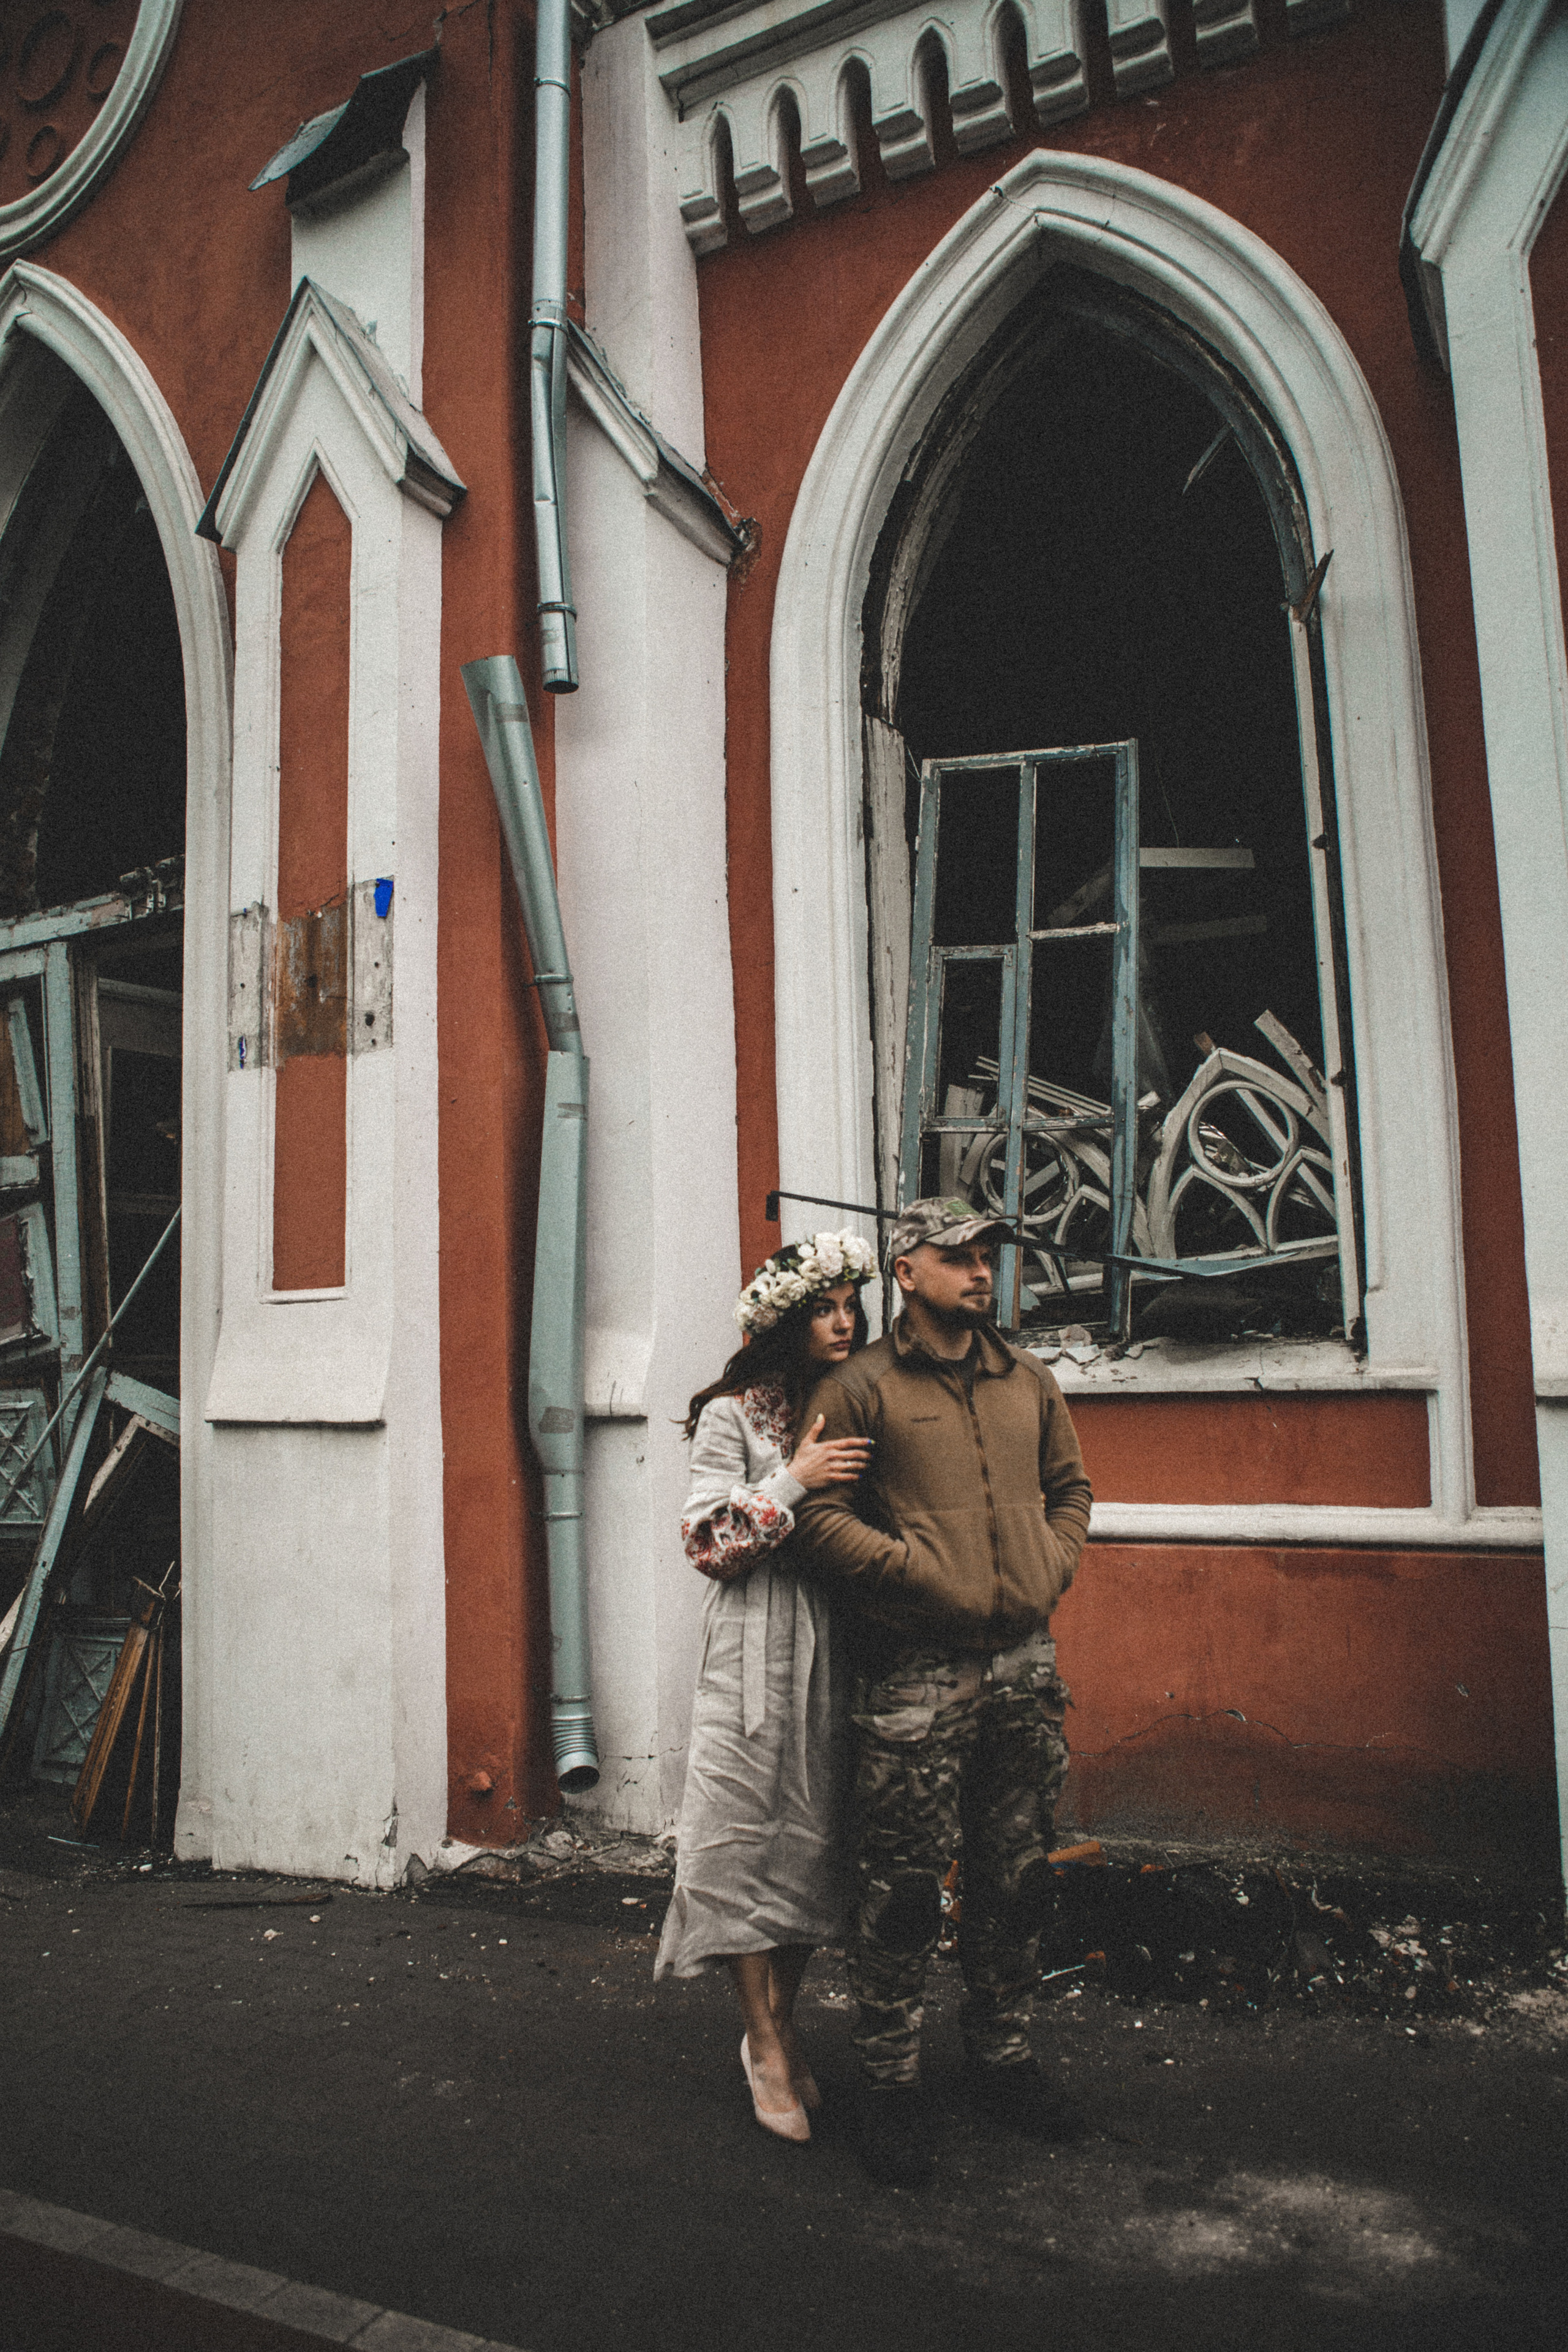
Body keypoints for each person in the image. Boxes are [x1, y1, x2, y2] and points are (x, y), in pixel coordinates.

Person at [794, 1196, 1094, 2188]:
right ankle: (890, 2084)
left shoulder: (1030, 1381)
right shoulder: (860, 1386)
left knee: (1016, 1876)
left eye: (987, 1254)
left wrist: (1049, 1566)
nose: (979, 1270)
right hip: (916, 1678)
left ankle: (1003, 2058)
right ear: (906, 1271)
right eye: (956, 1255)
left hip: (1023, 1670)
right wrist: (920, 1573)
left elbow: (1071, 1491)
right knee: (904, 1891)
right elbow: (820, 1516)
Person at [655, 1228, 877, 2144]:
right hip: (754, 1645)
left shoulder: (861, 1400)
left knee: (815, 1837)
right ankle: (761, 2035)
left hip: (835, 1640)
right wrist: (792, 1479)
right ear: (784, 1321)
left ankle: (783, 2019)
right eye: (824, 1307)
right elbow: (707, 1545)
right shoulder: (733, 1415)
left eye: (849, 1305)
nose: (844, 1320)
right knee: (744, 1832)